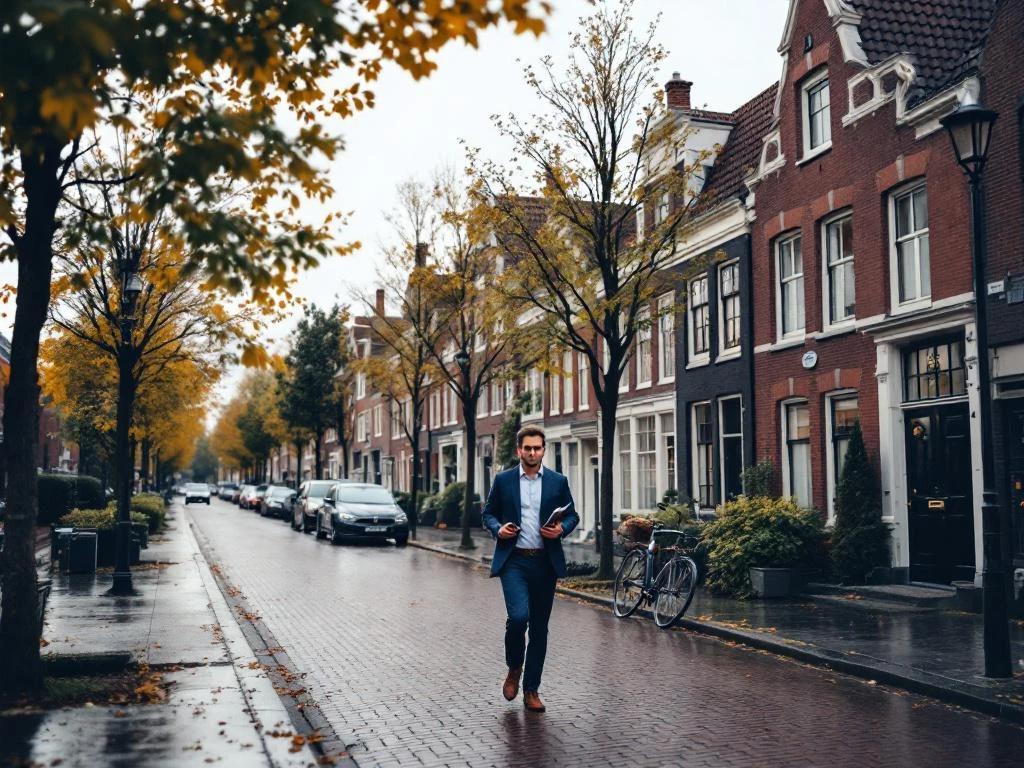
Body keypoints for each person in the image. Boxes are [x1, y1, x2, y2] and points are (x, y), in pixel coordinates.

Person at [481, 425, 579, 713]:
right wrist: (499, 530)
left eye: (537, 448)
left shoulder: (558, 481)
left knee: (539, 629)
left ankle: (531, 690)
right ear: (519, 450)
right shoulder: (504, 480)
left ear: (543, 450)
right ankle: (514, 667)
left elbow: (573, 514)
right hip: (515, 561)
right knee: (518, 616)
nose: (533, 452)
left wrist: (561, 529)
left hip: (545, 563)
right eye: (528, 448)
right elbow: (488, 513)